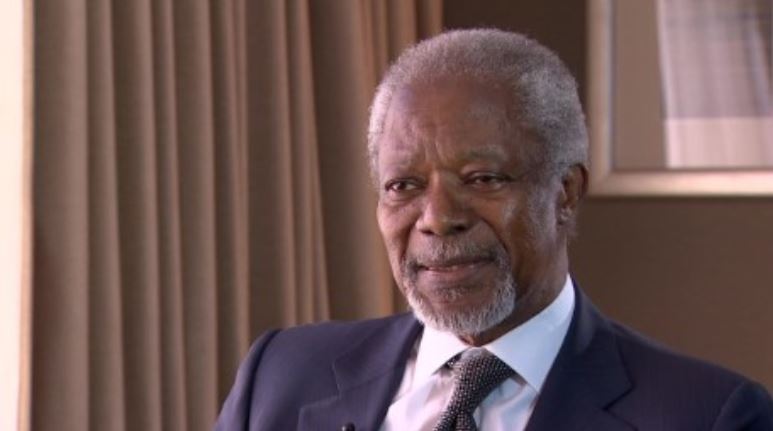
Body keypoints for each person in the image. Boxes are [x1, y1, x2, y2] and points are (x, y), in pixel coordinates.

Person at [215, 29, 773, 431]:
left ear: (565, 192)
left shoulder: (707, 415)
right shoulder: (283, 377)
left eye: (482, 178)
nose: (438, 218)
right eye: (404, 186)